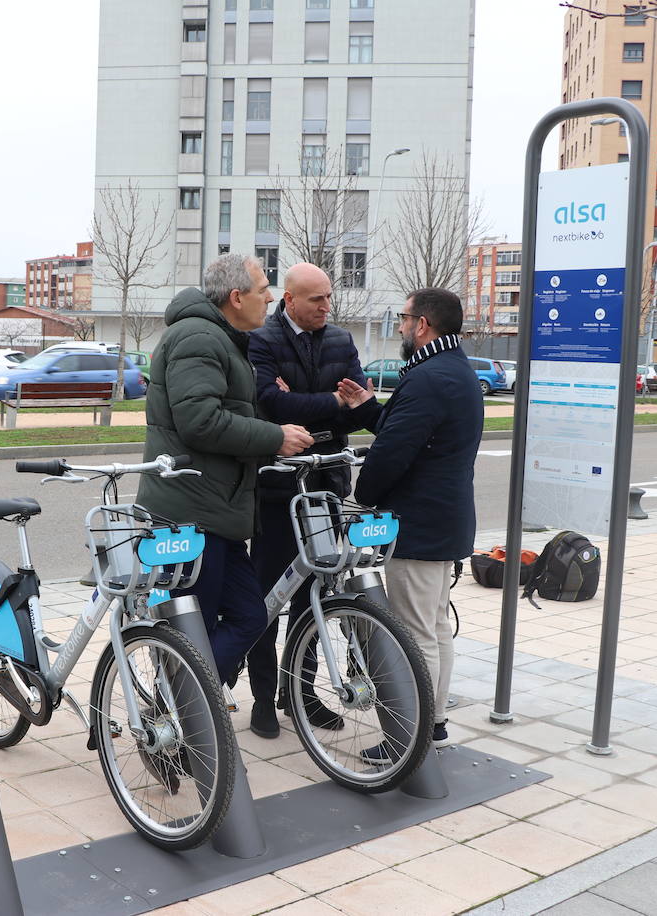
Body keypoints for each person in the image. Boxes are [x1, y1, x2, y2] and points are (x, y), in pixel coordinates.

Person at [138, 253, 314, 685]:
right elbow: (200, 422)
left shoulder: (222, 338)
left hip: (216, 510)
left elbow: (226, 412)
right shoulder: (199, 337)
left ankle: (189, 704)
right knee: (197, 630)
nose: (270, 298)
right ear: (236, 297)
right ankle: (182, 720)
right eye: (263, 290)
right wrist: (275, 437)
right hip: (192, 511)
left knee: (249, 615)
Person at [244, 262, 380, 739]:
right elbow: (269, 405)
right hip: (278, 488)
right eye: (316, 299)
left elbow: (360, 403)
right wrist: (332, 404)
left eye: (328, 298)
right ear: (290, 300)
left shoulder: (341, 340)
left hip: (327, 486)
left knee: (315, 593)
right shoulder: (262, 339)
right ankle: (262, 697)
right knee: (267, 597)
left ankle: (298, 694)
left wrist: (321, 404)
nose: (326, 306)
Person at [352, 287, 482, 753]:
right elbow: (407, 427)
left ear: (422, 324)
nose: (402, 327)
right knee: (435, 626)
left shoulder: (429, 377)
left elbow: (394, 450)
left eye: (405, 319)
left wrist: (361, 495)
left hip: (420, 524)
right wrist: (367, 407)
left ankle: (411, 735)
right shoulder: (452, 370)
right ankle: (435, 722)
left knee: (413, 631)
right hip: (443, 519)